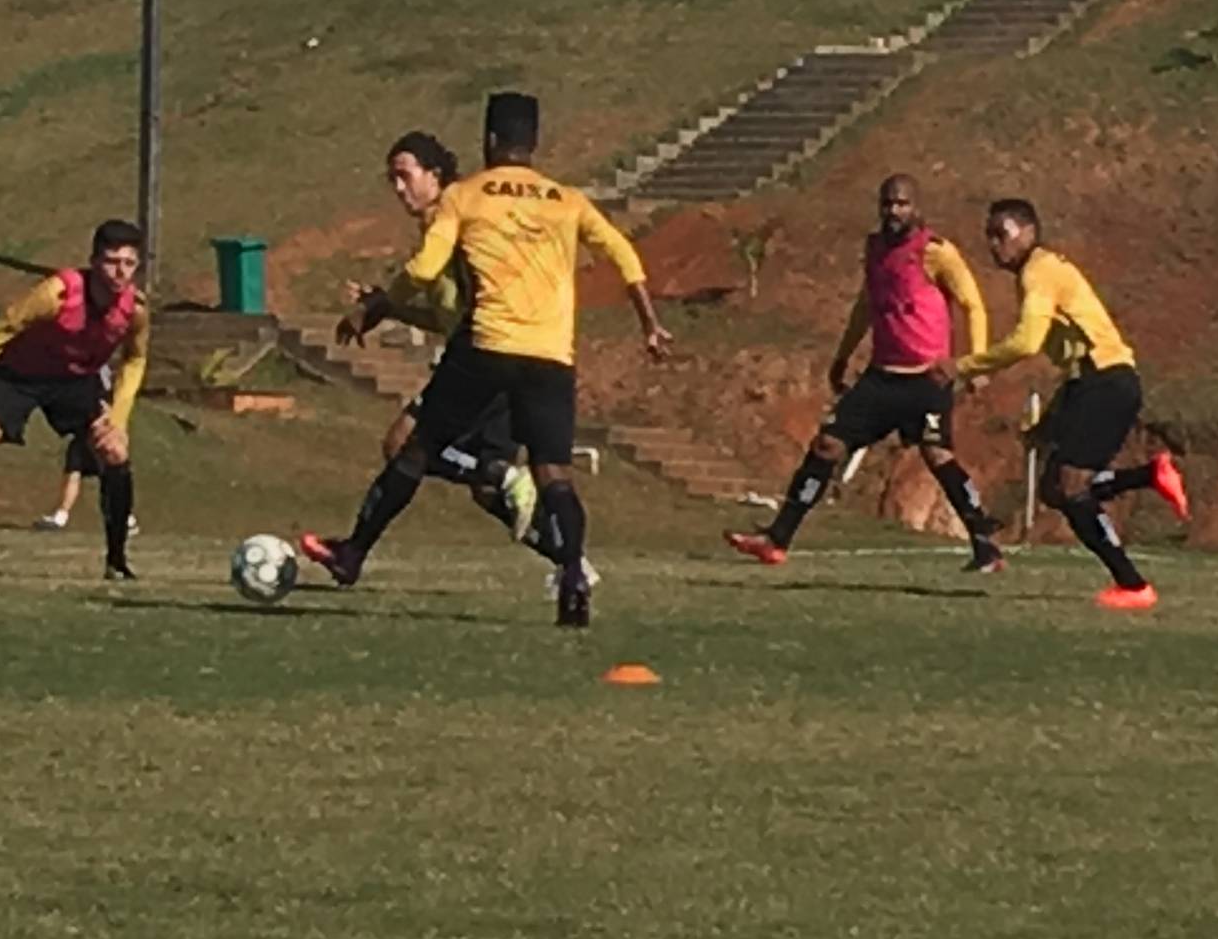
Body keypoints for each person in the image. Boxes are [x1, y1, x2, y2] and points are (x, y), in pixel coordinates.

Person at [300, 92, 669, 628]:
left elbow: (425, 270)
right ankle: (571, 578)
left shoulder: (466, 196)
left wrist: (378, 303)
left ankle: (354, 552)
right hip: (550, 354)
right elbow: (621, 253)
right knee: (556, 475)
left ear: (490, 141)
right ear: (534, 142)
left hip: (488, 345)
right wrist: (649, 323)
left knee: (415, 447)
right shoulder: (566, 199)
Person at [725, 174, 1006, 573]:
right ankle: (776, 540)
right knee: (827, 445)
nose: (894, 211)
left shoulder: (935, 251)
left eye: (902, 204)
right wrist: (843, 354)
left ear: (916, 207)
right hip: (881, 377)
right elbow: (866, 305)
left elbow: (973, 304)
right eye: (888, 204)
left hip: (927, 379)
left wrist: (975, 364)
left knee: (938, 455)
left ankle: (986, 546)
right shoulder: (874, 248)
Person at [961, 199, 1188, 611]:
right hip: (1092, 382)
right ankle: (1149, 474)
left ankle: (1134, 586)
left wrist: (966, 365)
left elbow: (1026, 342)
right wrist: (1048, 423)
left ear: (1028, 231)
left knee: (1070, 486)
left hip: (1107, 381)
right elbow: (1070, 360)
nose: (994, 245)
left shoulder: (1038, 272)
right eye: (989, 236)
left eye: (1002, 233)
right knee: (1054, 489)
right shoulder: (1040, 271)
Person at [336, 130, 544, 553]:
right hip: (492, 356)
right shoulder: (446, 221)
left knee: (404, 445)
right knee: (485, 492)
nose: (398, 188)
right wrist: (389, 309)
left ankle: (352, 553)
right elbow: (444, 315)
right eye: (391, 179)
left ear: (434, 175)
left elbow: (461, 292)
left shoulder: (453, 223)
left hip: (486, 359)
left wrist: (385, 302)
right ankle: (571, 560)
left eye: (404, 176)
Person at [0, 220, 148, 582]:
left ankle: (116, 560)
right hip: (17, 376)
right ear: (93, 260)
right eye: (111, 261)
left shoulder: (134, 310)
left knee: (115, 452)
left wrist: (118, 417)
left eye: (129, 264)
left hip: (75, 382)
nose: (120, 272)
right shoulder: (57, 294)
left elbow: (135, 359)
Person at [34, 434, 139, 539]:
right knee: (74, 469)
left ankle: (125, 520)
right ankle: (61, 515)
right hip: (89, 435)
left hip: (105, 435)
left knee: (109, 477)